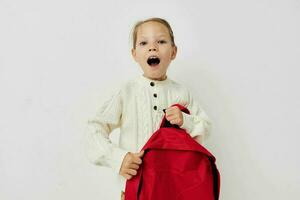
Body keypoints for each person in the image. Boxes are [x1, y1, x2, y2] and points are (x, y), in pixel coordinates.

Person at [84, 17, 212, 200]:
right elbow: (94, 127)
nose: (153, 47)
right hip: (133, 190)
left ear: (173, 52)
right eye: (144, 43)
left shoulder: (181, 93)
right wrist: (117, 158)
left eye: (161, 41)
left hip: (173, 190)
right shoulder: (126, 92)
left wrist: (187, 121)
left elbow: (205, 126)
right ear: (134, 54)